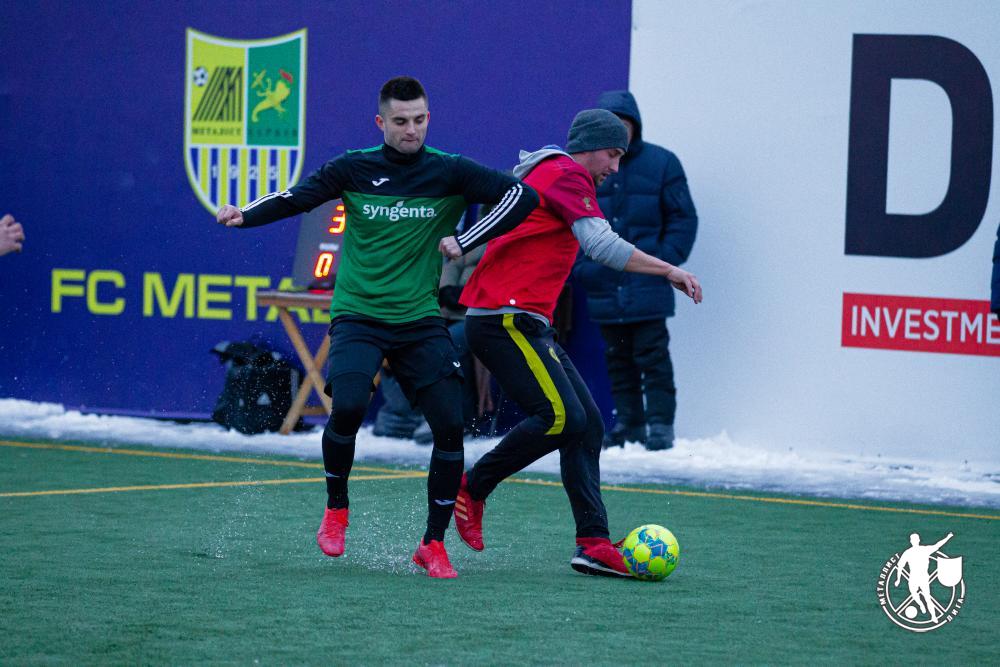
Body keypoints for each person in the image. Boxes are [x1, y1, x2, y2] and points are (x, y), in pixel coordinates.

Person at [216, 76, 538, 578]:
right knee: (347, 406)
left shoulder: (450, 170)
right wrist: (246, 213)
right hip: (358, 315)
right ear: (381, 122)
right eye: (401, 121)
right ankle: (336, 509)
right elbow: (296, 197)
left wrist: (467, 238)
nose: (412, 130)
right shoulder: (354, 167)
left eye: (420, 120)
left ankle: (433, 544)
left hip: (419, 320)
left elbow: (522, 197)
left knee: (450, 424)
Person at [453, 109, 702, 577]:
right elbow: (601, 245)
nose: (616, 167)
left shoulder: (555, 172)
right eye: (612, 154)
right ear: (588, 147)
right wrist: (668, 269)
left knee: (586, 426)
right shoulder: (566, 173)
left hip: (521, 320)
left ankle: (592, 543)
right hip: (503, 319)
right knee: (562, 417)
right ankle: (472, 486)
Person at [573, 91, 698, 451]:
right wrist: (586, 269)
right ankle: (629, 425)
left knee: (653, 356)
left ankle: (660, 427)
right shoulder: (585, 170)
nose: (619, 132)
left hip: (648, 284)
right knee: (617, 359)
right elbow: (571, 221)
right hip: (604, 286)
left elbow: (683, 219)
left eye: (624, 124)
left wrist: (663, 264)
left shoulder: (663, 163)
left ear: (635, 125)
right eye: (612, 125)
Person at [895, 532, 953, 622]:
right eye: (913, 539)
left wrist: (948, 537)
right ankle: (920, 604)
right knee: (914, 594)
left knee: (928, 598)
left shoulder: (925, 549)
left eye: (915, 539)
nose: (914, 541)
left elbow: (938, 545)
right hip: (913, 578)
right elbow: (900, 566)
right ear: (911, 541)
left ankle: (933, 616)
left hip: (923, 578)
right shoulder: (907, 553)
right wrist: (898, 579)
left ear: (918, 540)